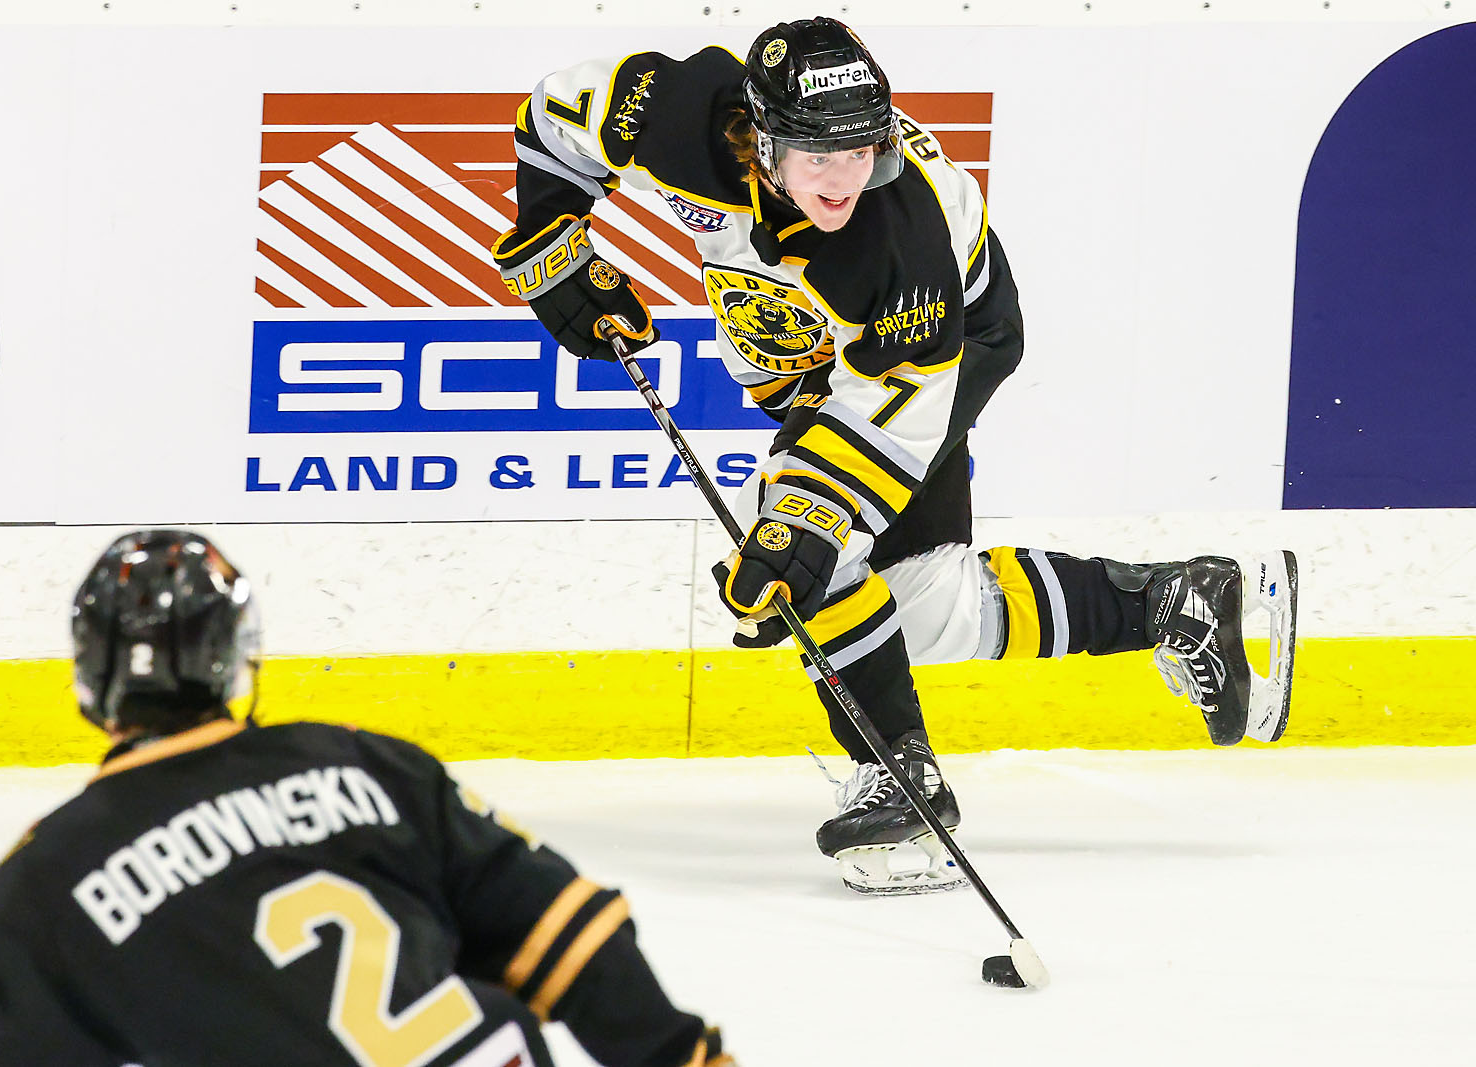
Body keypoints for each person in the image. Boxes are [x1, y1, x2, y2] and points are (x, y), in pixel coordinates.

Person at [492, 16, 1299, 895]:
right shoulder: (678, 113)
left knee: (811, 547)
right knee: (917, 607)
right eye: (817, 157)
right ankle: (1175, 603)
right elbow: (555, 119)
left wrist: (805, 518)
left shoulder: (893, 235)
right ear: (758, 139)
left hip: (950, 339)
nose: (845, 179)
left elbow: (889, 412)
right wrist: (550, 243)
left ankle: (900, 775)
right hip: (807, 353)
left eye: (863, 152)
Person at [0, 530, 734, 1067]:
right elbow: (571, 935)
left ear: (89, 678)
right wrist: (683, 1054)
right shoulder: (370, 765)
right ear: (235, 659)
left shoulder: (48, 882)